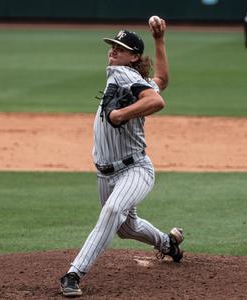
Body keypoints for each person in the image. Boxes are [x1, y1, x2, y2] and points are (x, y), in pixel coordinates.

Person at [59, 18, 184, 298]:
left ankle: (74, 273)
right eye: (113, 45)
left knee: (113, 212)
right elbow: (161, 80)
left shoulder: (123, 75)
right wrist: (160, 40)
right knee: (126, 228)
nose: (113, 50)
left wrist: (120, 115)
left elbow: (156, 100)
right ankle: (168, 243)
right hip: (107, 174)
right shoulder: (130, 78)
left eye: (121, 48)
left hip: (135, 169)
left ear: (133, 57)